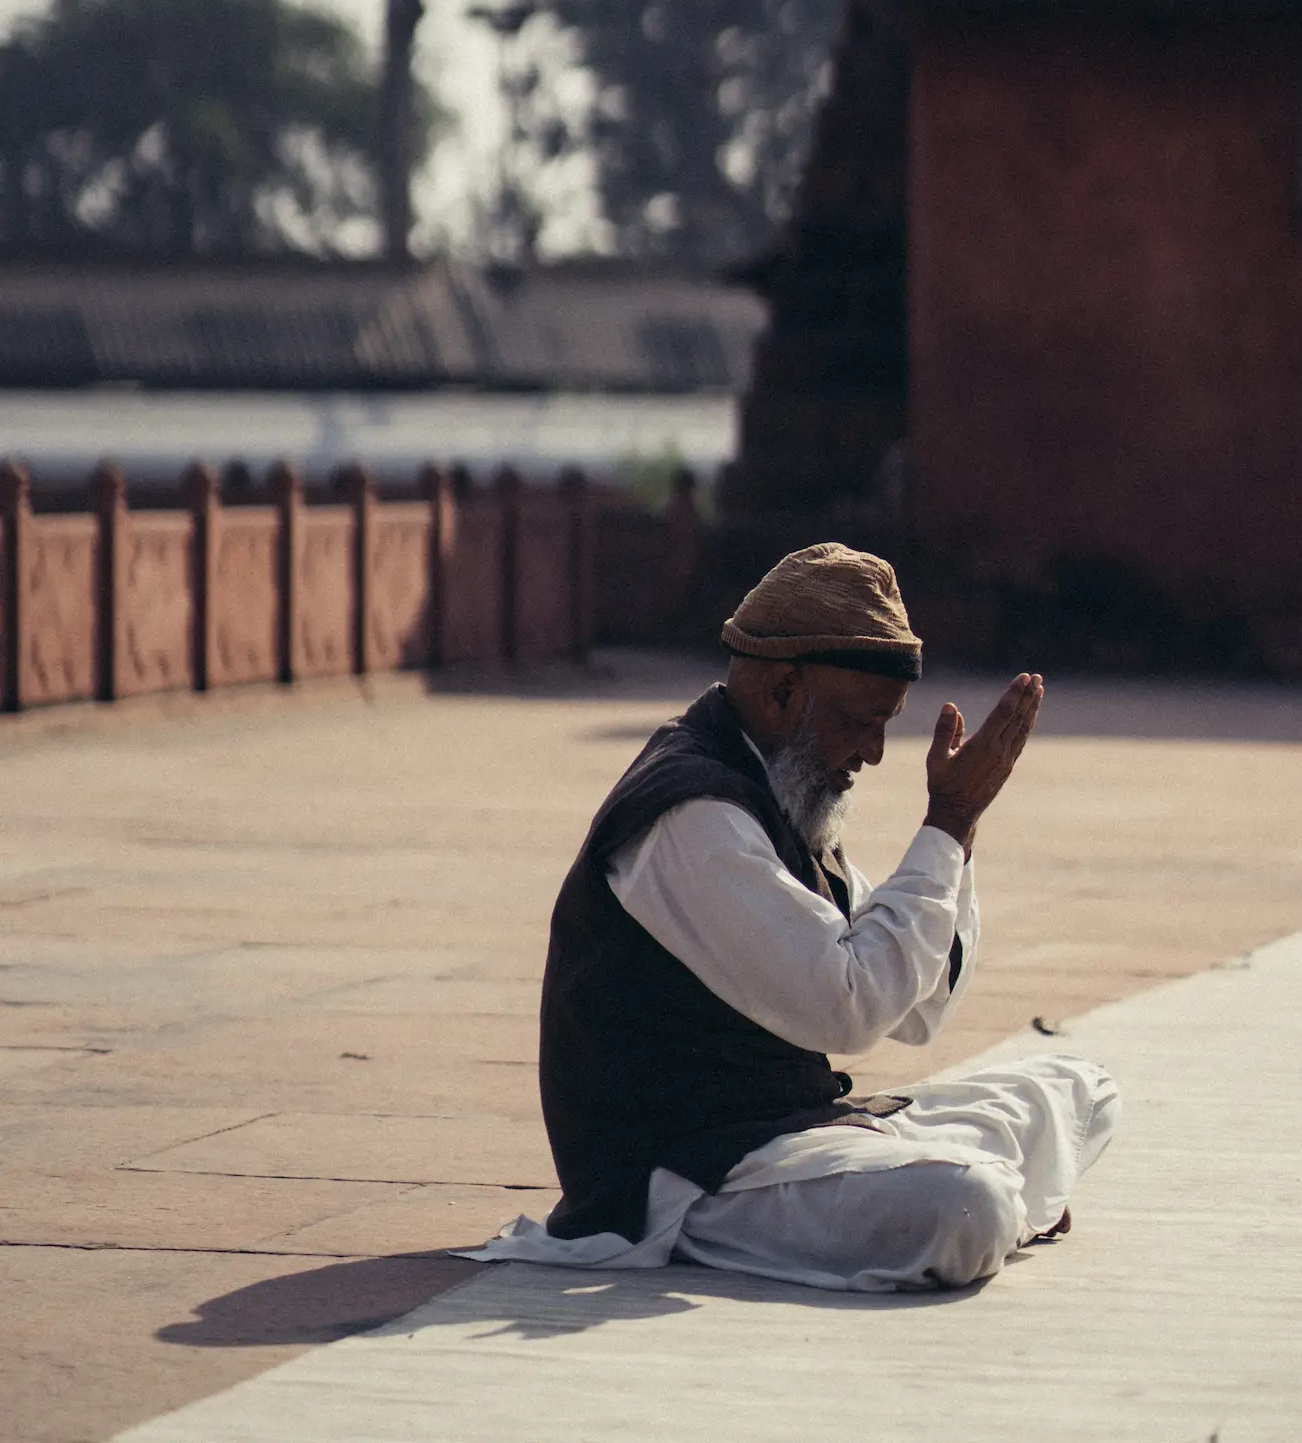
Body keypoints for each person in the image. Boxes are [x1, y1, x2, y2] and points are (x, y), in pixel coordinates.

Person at [464, 542, 1119, 1292]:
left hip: (794, 1139)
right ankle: (984, 1202)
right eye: (858, 722)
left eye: (886, 725)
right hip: (691, 1180)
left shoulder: (779, 792)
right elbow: (853, 1009)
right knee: (967, 1207)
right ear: (781, 693)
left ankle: (971, 1197)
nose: (872, 753)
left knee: (1082, 1090)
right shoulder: (693, 816)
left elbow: (918, 1008)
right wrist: (948, 819)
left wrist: (958, 839)